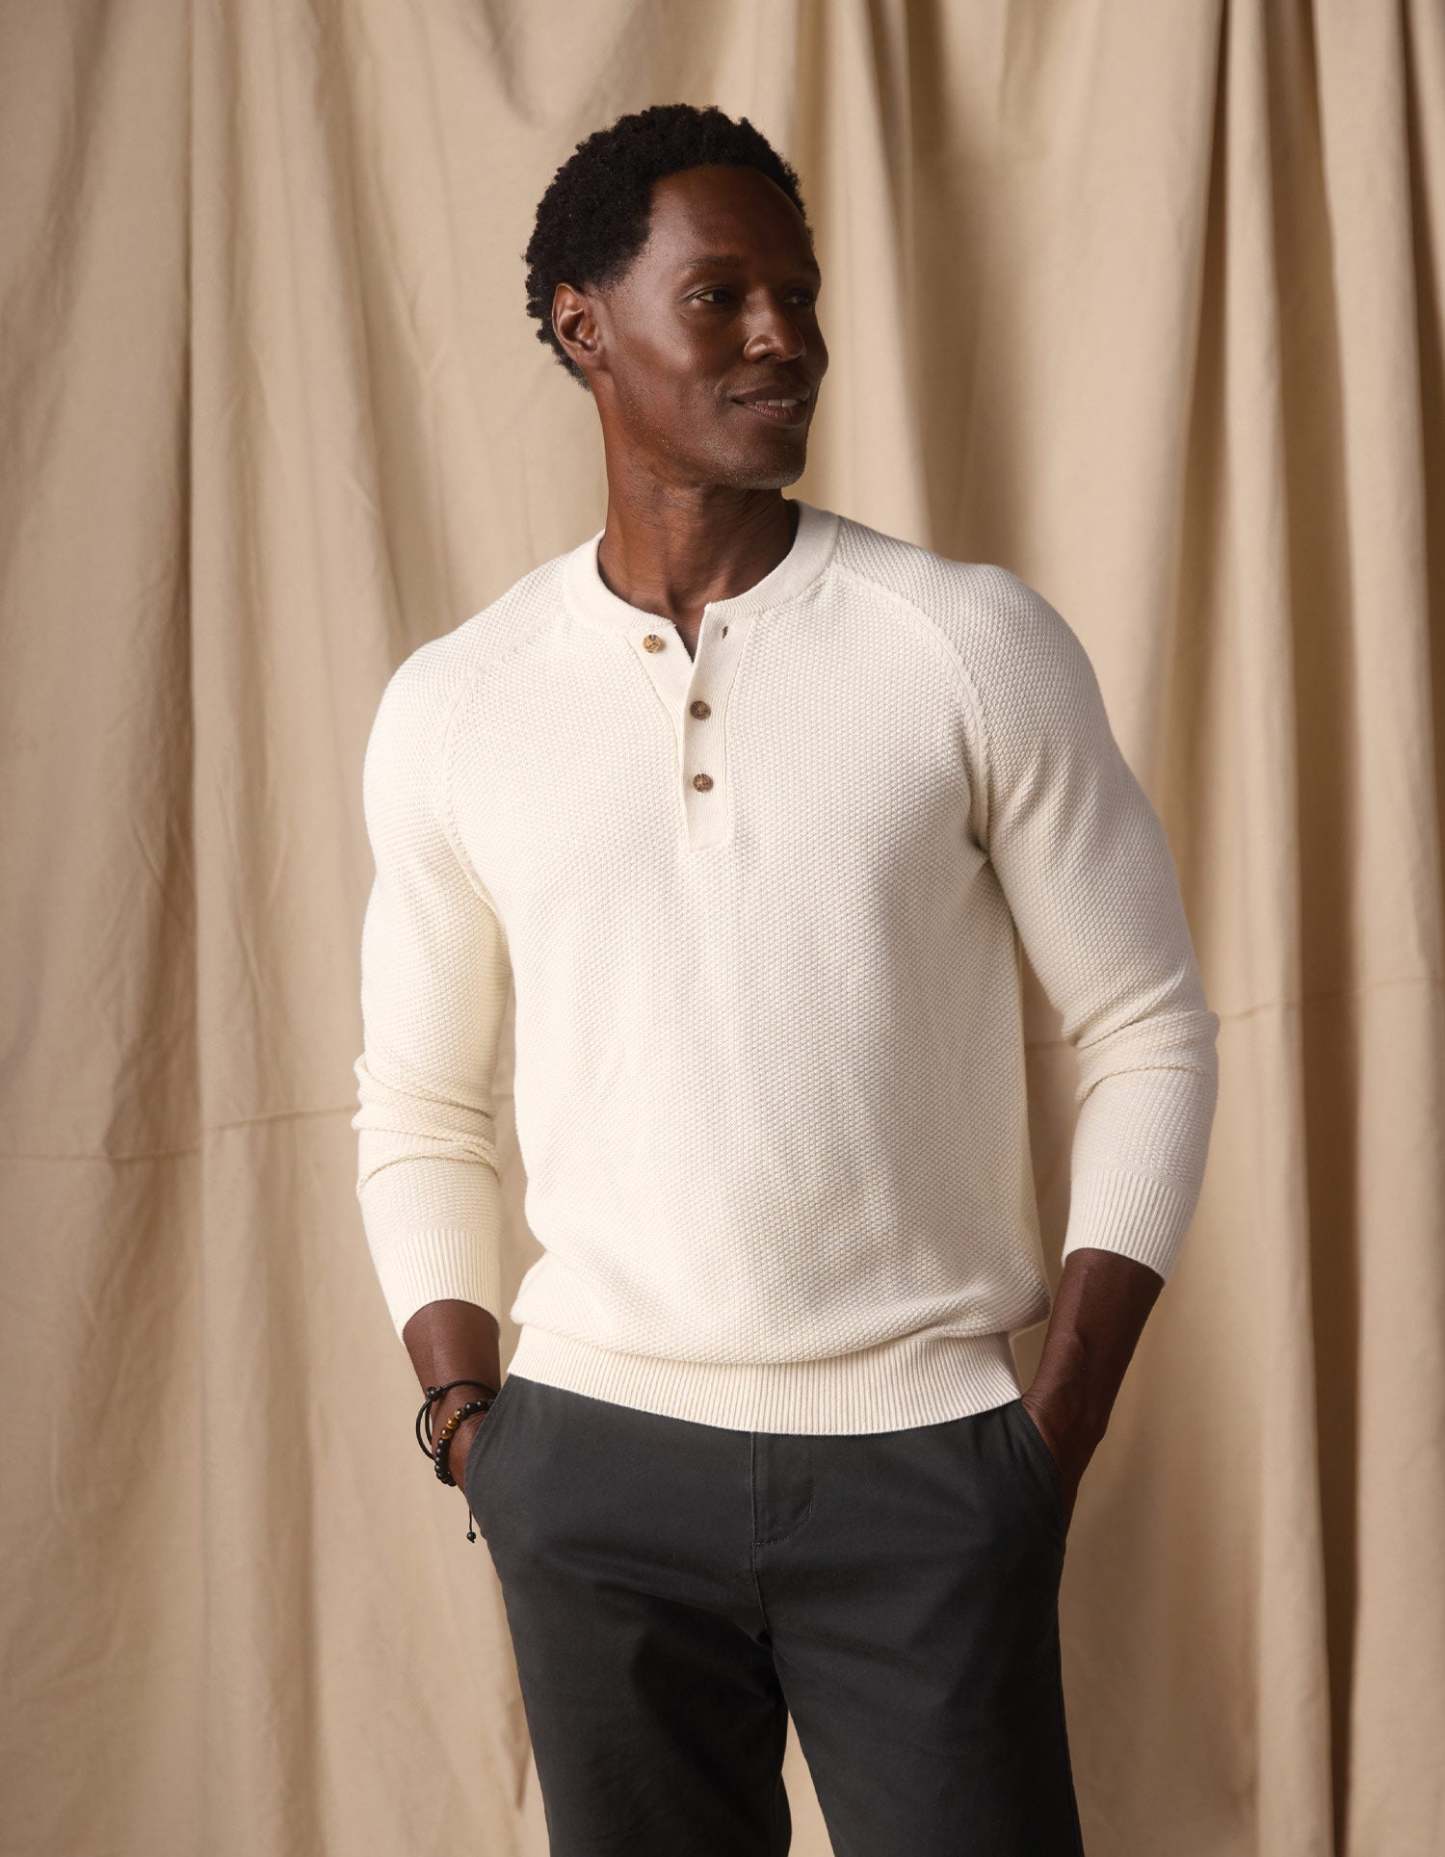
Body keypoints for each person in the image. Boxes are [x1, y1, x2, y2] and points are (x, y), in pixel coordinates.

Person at [350, 100, 1219, 1857]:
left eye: (799, 296)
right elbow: (418, 1100)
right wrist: (472, 1425)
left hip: (926, 1465)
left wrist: (1049, 1430)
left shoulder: (966, 643)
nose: (783, 337)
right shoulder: (457, 702)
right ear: (584, 327)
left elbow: (1148, 1028)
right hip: (590, 1468)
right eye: (721, 295)